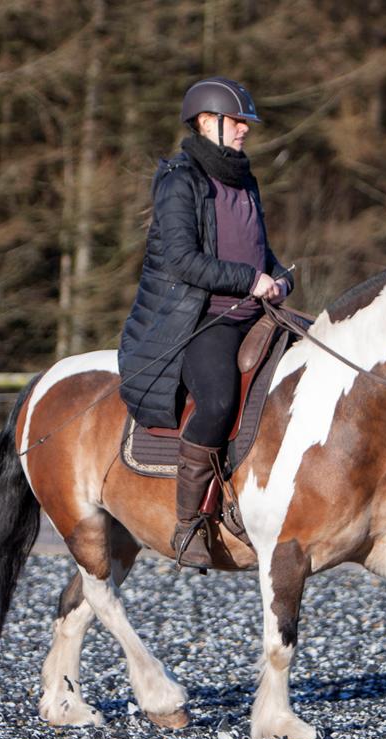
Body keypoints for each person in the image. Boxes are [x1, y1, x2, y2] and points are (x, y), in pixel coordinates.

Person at [118, 77, 291, 569]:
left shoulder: (245, 180)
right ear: (207, 122)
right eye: (238, 121)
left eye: (246, 123)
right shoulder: (180, 181)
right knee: (216, 400)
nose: (245, 130)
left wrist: (277, 278)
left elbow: (260, 250)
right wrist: (248, 279)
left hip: (256, 313)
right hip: (201, 322)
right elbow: (181, 260)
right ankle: (189, 522)